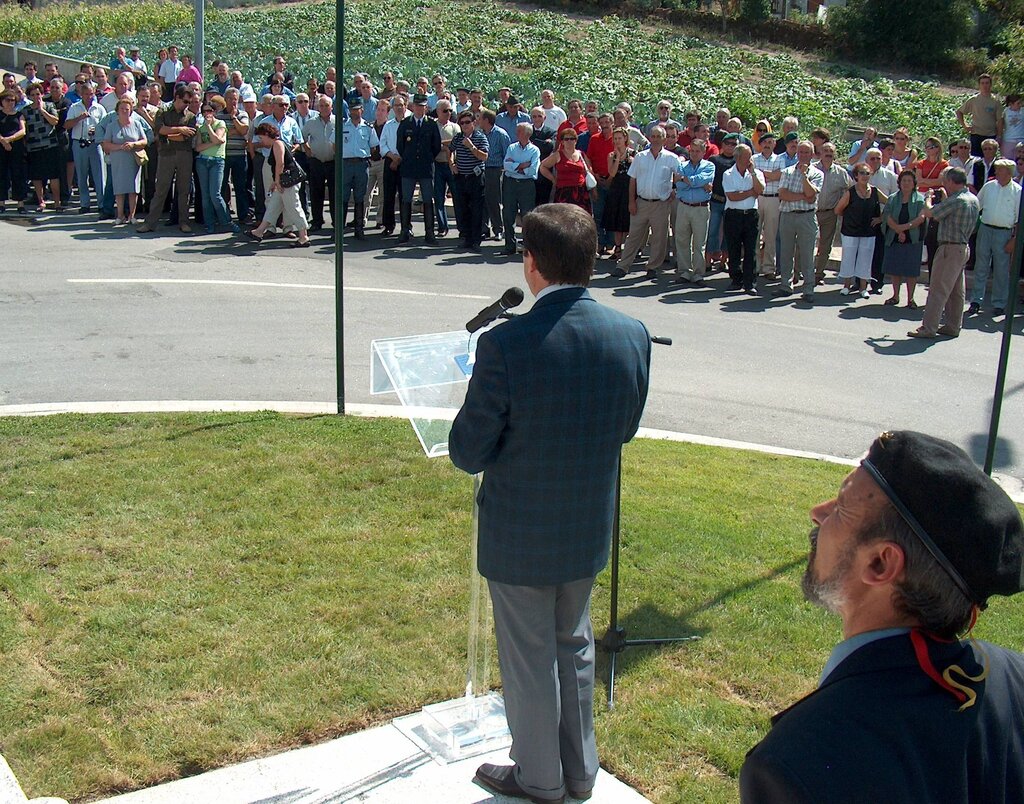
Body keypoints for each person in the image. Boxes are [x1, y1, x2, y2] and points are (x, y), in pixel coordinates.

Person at [449, 202, 650, 804]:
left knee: (530, 660)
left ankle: (540, 778)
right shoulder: (631, 333)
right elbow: (626, 428)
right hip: (585, 523)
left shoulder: (507, 344)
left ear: (532, 265)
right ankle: (579, 772)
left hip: (520, 531)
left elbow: (468, 450)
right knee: (574, 647)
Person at [740, 429, 1024, 804]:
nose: (818, 512)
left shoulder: (797, 765)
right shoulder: (1013, 675)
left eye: (842, 507)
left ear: (880, 563)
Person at [908, 166, 980, 339]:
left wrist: (927, 198)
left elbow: (930, 213)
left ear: (950, 181)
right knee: (956, 291)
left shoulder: (957, 200)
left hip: (949, 248)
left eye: (945, 180)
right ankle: (953, 325)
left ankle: (928, 327)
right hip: (963, 247)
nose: (944, 184)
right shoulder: (972, 198)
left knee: (938, 289)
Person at [609, 125, 679, 280]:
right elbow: (632, 180)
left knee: (659, 238)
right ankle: (623, 266)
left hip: (661, 204)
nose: (655, 139)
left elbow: (679, 175)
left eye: (658, 136)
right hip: (641, 202)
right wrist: (631, 202)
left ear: (664, 139)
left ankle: (653, 267)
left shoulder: (671, 158)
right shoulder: (641, 157)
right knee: (633, 236)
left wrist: (674, 188)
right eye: (653, 136)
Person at [137, 85, 197, 233]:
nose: (187, 105)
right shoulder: (163, 111)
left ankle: (183, 222)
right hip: (166, 154)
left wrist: (170, 133)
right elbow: (159, 130)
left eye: (189, 102)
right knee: (161, 189)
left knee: (184, 190)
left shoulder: (191, 116)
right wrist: (179, 129)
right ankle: (150, 223)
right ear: (177, 98)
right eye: (185, 101)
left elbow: (185, 136)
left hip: (184, 154)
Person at [968, 159, 1021, 317]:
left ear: (1009, 172)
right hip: (985, 229)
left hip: (1004, 232)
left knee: (1001, 269)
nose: (996, 172)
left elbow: (1019, 218)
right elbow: (978, 206)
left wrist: (1014, 239)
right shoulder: (989, 186)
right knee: (981, 266)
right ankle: (976, 300)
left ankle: (999, 303)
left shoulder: (1018, 191)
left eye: (1000, 170)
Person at [775, 140, 824, 303]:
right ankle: (785, 285)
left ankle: (808, 288)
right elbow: (783, 194)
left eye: (806, 152)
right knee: (786, 252)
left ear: (812, 155)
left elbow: (812, 193)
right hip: (787, 216)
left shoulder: (817, 174)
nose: (803, 155)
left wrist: (804, 176)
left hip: (807, 217)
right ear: (797, 154)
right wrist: (804, 196)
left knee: (807, 254)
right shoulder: (787, 172)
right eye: (800, 152)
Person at [246, 122, 310, 247]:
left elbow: (280, 164)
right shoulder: (277, 144)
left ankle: (304, 236)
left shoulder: (277, 144)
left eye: (261, 137)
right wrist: (276, 182)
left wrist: (277, 181)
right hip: (283, 182)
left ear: (266, 134)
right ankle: (259, 232)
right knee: (273, 207)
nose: (261, 141)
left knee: (294, 207)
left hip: (287, 182)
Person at [395, 93, 440, 245]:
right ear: (412, 107)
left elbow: (436, 146)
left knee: (428, 200)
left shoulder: (431, 124)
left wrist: (427, 158)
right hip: (409, 167)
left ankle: (429, 232)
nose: (420, 109)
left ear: (426, 108)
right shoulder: (405, 123)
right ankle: (405, 231)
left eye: (422, 107)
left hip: (426, 168)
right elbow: (400, 146)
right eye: (417, 106)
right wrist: (408, 157)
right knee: (406, 200)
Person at [834, 164, 885, 298]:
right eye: (861, 173)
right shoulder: (850, 192)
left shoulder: (875, 191)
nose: (864, 176)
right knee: (848, 258)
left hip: (869, 231)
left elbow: (891, 203)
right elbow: (838, 210)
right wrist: (851, 218)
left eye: (867, 173)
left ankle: (863, 288)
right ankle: (846, 286)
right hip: (850, 231)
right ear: (856, 175)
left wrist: (881, 218)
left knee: (865, 259)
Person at [721, 143, 765, 294]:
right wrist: (749, 192)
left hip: (750, 215)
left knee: (751, 250)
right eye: (747, 156)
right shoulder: (728, 174)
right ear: (738, 157)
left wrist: (752, 174)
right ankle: (735, 279)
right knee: (733, 249)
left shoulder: (756, 173)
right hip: (733, 215)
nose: (750, 159)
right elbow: (732, 196)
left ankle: (749, 282)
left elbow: (759, 191)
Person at [672, 137, 715, 286]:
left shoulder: (709, 166)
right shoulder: (682, 165)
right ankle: (684, 271)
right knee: (682, 240)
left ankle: (698, 273)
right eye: (692, 151)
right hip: (684, 206)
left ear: (704, 152)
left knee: (699, 242)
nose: (694, 154)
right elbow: (678, 185)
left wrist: (687, 180)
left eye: (698, 151)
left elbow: (699, 180)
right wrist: (694, 183)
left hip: (701, 208)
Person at [881, 169, 927, 308]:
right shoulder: (893, 198)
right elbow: (887, 215)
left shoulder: (920, 199)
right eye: (903, 181)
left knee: (911, 271)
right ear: (899, 183)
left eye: (909, 181)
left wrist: (904, 228)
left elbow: (921, 218)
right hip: (894, 237)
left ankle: (911, 299)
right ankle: (895, 296)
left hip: (913, 238)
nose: (906, 183)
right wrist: (897, 229)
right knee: (896, 269)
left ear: (914, 183)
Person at [101, 96, 149, 225]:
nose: (124, 111)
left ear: (131, 110)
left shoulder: (137, 124)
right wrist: (119, 147)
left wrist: (133, 145)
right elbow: (106, 144)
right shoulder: (111, 126)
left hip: (133, 160)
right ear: (117, 110)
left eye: (127, 109)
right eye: (122, 109)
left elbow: (144, 141)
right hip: (118, 160)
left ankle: (132, 216)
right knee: (119, 188)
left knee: (133, 188)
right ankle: (120, 215)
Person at [813, 141, 853, 284]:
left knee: (825, 245)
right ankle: (800, 272)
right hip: (812, 212)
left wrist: (840, 208)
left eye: (831, 151)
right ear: (820, 153)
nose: (828, 153)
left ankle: (818, 274)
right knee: (806, 244)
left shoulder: (841, 173)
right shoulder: (812, 169)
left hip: (830, 213)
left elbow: (849, 191)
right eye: (826, 151)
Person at [193, 99, 235, 234]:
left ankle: (226, 221)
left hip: (217, 161)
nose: (207, 114)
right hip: (202, 161)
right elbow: (198, 147)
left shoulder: (220, 123)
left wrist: (210, 127)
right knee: (205, 196)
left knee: (215, 194)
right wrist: (213, 142)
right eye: (204, 111)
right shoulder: (200, 128)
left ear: (214, 112)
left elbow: (219, 138)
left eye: (210, 111)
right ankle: (209, 223)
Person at [64, 81, 106, 214]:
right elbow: (66, 125)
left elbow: (105, 126)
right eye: (86, 94)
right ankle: (84, 203)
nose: (89, 97)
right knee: (82, 174)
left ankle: (102, 203)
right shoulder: (75, 107)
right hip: (79, 143)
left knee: (99, 174)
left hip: (95, 143)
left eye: (91, 94)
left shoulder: (99, 108)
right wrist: (79, 118)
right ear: (81, 94)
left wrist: (97, 131)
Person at [449, 109, 488, 251]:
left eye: (467, 122)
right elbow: (451, 151)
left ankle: (476, 240)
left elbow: (484, 156)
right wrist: (452, 163)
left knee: (477, 210)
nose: (464, 125)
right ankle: (466, 238)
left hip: (475, 178)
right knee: (462, 209)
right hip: (461, 178)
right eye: (462, 122)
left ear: (474, 123)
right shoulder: (458, 137)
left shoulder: (480, 137)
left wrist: (471, 147)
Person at [21, 82, 63, 213]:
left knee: (54, 176)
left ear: (42, 94)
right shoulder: (25, 111)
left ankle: (57, 203)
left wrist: (42, 110)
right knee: (37, 177)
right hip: (33, 148)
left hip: (50, 146)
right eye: (32, 95)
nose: (36, 97)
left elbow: (54, 121)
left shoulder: (50, 106)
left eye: (38, 94)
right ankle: (41, 201)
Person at [500, 121, 540, 256]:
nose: (516, 133)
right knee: (508, 214)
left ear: (527, 134)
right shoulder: (512, 147)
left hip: (526, 185)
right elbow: (506, 165)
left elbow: (532, 170)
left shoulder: (534, 150)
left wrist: (516, 166)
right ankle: (509, 245)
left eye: (519, 131)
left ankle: (527, 246)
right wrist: (522, 165)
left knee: (527, 216)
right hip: (510, 183)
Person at [340, 98, 377, 241]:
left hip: (361, 164)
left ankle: (359, 229)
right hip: (346, 164)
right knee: (342, 197)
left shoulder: (368, 127)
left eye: (358, 109)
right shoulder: (342, 125)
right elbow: (334, 145)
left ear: (362, 110)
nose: (355, 112)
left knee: (360, 197)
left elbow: (373, 146)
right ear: (349, 110)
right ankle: (340, 229)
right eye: (352, 109)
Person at [601, 126, 635, 263]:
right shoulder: (611, 155)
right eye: (615, 138)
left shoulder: (633, 154)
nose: (617, 141)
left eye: (619, 138)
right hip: (616, 188)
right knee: (616, 219)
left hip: (629, 188)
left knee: (627, 218)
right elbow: (612, 173)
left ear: (625, 138)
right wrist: (617, 158)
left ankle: (629, 248)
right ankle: (617, 247)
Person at [540, 126, 592, 213]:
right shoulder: (557, 155)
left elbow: (589, 169)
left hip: (581, 192)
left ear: (576, 141)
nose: (569, 141)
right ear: (562, 142)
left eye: (572, 139)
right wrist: (553, 179)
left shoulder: (581, 154)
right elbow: (543, 166)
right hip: (563, 192)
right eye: (566, 139)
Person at [303, 94, 336, 232]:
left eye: (326, 105)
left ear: (331, 107)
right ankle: (317, 221)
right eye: (321, 106)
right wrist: (308, 151)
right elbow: (302, 138)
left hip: (333, 162)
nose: (323, 108)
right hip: (316, 161)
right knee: (316, 193)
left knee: (335, 193)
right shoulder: (311, 122)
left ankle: (336, 222)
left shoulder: (338, 121)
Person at [957, 73, 1003, 157]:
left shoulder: (996, 101)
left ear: (990, 84)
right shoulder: (974, 100)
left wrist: (999, 136)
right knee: (976, 160)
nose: (985, 85)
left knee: (990, 159)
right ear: (979, 85)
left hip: (990, 136)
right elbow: (959, 112)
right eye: (982, 83)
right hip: (976, 135)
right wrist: (965, 126)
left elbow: (1000, 120)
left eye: (987, 83)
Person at [0, 90, 27, 214]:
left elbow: (22, 131)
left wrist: (9, 139)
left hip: (16, 148)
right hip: (1, 148)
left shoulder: (19, 115)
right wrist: (4, 142)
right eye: (7, 100)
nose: (10, 102)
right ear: (2, 101)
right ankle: (1, 202)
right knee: (2, 175)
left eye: (12, 100)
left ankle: (20, 203)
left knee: (18, 174)